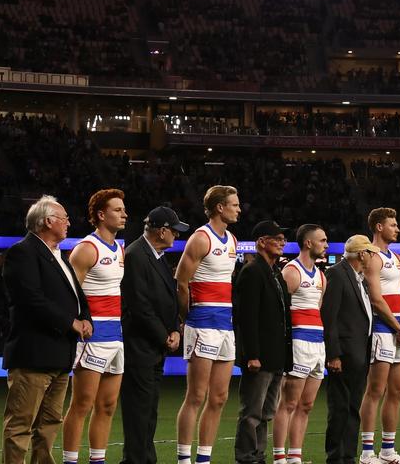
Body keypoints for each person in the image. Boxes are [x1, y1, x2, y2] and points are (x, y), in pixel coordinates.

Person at [2, 196, 92, 464]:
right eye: (64, 218)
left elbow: (77, 295)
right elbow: (30, 299)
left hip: (59, 355)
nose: (68, 223)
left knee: (50, 423)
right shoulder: (23, 252)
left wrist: (86, 317)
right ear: (48, 221)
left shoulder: (59, 256)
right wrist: (70, 322)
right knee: (21, 425)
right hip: (34, 354)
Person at [62, 190, 129, 464]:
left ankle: (97, 460)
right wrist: (78, 324)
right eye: (117, 210)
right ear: (101, 215)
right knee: (81, 405)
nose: (124, 214)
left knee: (108, 406)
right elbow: (67, 293)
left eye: (123, 209)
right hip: (92, 336)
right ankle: (70, 460)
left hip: (116, 335)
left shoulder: (119, 248)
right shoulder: (87, 249)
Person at [175, 185, 240, 464]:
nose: (239, 209)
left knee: (220, 397)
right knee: (196, 395)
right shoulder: (201, 239)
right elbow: (181, 280)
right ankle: (183, 459)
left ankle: (204, 459)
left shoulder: (233, 240)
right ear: (219, 208)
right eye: (234, 205)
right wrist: (184, 317)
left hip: (225, 325)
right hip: (202, 323)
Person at [120, 206, 188, 464]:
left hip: (153, 346)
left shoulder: (155, 255)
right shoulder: (136, 255)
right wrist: (165, 335)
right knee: (139, 411)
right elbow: (139, 305)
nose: (177, 237)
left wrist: (174, 328)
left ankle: (145, 459)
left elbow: (164, 300)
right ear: (162, 231)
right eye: (174, 231)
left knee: (148, 410)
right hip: (140, 345)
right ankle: (136, 460)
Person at [233, 220, 291, 464]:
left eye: (282, 239)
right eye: (276, 238)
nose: (282, 242)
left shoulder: (275, 272)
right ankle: (246, 457)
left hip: (275, 355)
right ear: (261, 242)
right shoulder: (252, 271)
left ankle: (258, 456)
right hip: (260, 356)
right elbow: (247, 318)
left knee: (266, 413)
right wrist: (251, 354)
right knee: (252, 412)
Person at [273, 225, 329, 464]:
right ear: (308, 243)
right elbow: (280, 310)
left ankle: (295, 456)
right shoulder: (292, 271)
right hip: (298, 343)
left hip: (318, 344)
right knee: (289, 403)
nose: (326, 245)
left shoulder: (321, 275)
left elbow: (318, 309)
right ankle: (279, 458)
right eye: (323, 240)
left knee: (306, 405)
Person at [360, 208, 400, 464]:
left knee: (398, 389)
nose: (397, 228)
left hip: (399, 331)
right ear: (379, 227)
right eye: (392, 224)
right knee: (375, 390)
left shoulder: (397, 258)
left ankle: (388, 451)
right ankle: (367, 452)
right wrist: (396, 326)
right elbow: (375, 298)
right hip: (382, 330)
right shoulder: (371, 256)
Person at [322, 236, 378, 464]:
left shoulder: (359, 279)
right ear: (362, 254)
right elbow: (329, 316)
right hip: (344, 354)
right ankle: (336, 457)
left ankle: (347, 456)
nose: (373, 256)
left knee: (353, 407)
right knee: (340, 408)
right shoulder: (337, 273)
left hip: (358, 352)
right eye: (370, 252)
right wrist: (333, 354)